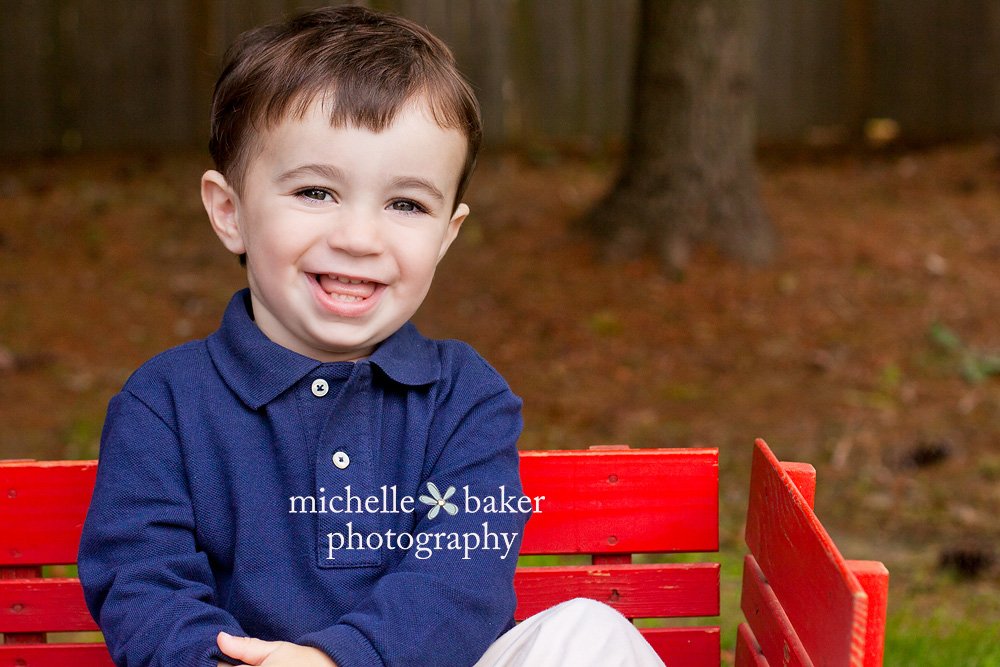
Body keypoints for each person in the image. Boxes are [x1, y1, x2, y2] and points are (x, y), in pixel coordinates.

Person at [78, 6, 665, 667]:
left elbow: (460, 580)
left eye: (406, 204)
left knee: (590, 630)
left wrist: (339, 659)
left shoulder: (466, 400)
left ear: (447, 234)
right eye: (316, 191)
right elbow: (143, 583)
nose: (359, 237)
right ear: (230, 212)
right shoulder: (165, 403)